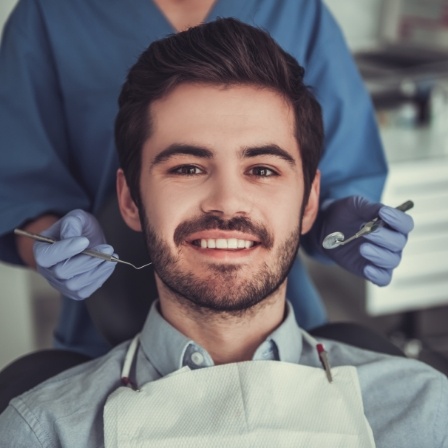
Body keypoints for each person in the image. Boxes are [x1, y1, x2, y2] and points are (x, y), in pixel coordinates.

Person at [0, 18, 443, 447]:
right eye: (188, 168)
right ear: (130, 199)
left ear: (309, 200)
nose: (227, 202)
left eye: (263, 169)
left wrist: (331, 220)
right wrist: (42, 235)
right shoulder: (44, 431)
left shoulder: (423, 410)